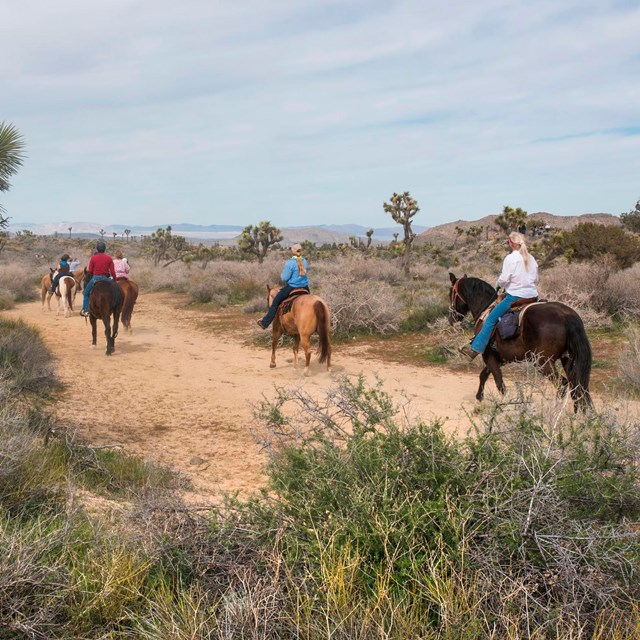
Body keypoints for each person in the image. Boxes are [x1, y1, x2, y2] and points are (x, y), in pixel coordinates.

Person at [459, 231, 538, 360]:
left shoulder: (510, 258)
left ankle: (475, 349)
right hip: (533, 296)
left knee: (490, 319)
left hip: (515, 298)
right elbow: (536, 279)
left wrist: (498, 284)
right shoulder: (531, 258)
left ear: (511, 243)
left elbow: (505, 278)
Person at [257, 243, 309, 329]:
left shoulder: (290, 263)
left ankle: (265, 322)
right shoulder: (305, 261)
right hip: (305, 287)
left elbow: (284, 278)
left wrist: (282, 275)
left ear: (293, 251)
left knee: (275, 303)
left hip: (292, 287)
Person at [81, 240, 116, 317]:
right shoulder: (109, 258)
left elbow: (90, 270)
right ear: (104, 249)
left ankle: (85, 310)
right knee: (117, 291)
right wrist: (114, 280)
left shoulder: (93, 258)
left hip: (95, 278)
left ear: (97, 249)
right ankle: (116, 307)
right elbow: (113, 271)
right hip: (106, 278)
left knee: (86, 293)